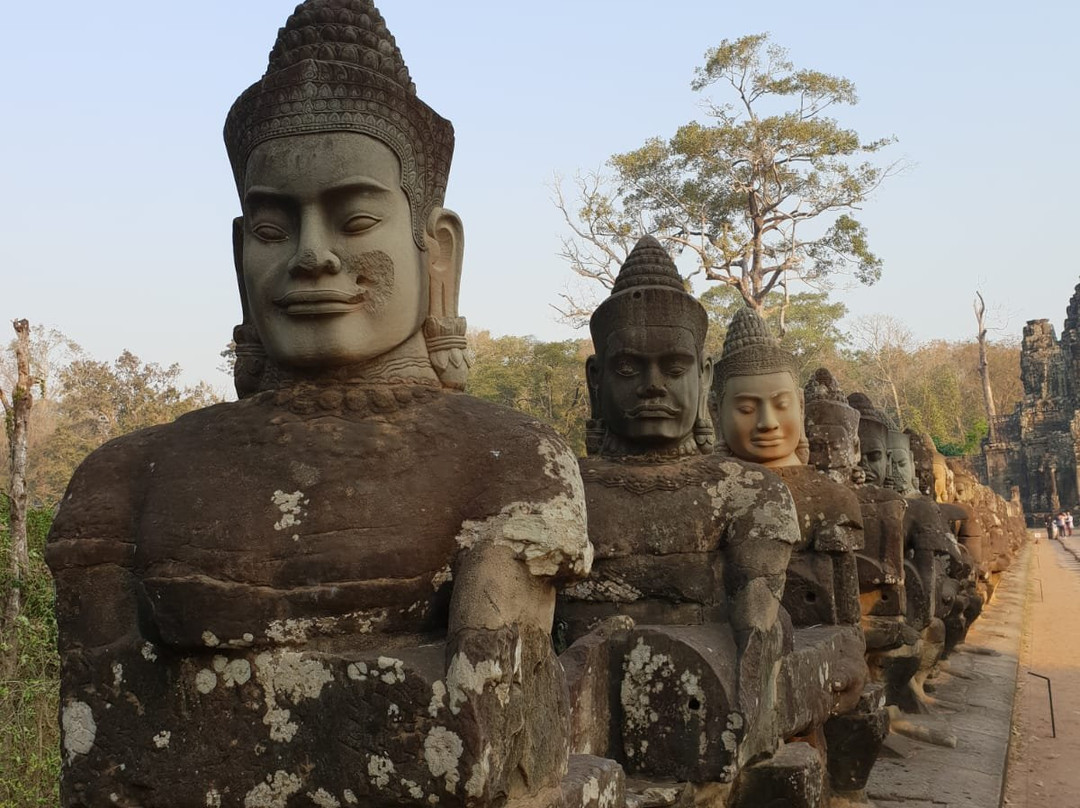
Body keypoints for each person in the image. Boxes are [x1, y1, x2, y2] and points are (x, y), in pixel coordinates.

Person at [46, 3, 592, 805]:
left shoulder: (512, 466)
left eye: (355, 219)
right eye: (273, 228)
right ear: (241, 254)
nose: (311, 256)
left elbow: (484, 739)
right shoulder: (124, 479)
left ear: (436, 250)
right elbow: (104, 752)